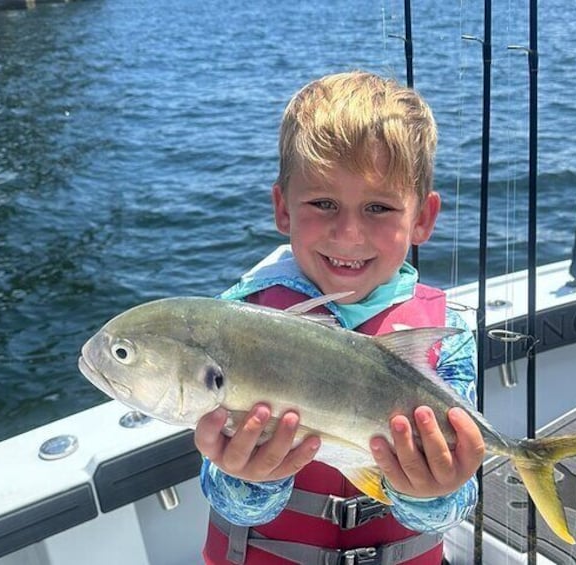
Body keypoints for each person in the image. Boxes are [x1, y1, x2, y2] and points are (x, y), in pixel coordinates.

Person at [194, 70, 485, 565]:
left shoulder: (448, 335)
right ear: (283, 209)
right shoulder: (237, 323)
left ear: (423, 219)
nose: (348, 234)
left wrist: (431, 490)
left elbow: (449, 510)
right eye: (323, 203)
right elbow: (225, 498)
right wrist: (249, 479)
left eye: (378, 207)